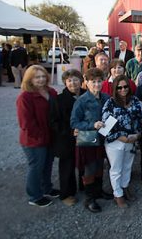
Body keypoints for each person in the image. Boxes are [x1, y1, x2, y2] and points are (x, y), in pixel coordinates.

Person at [102, 74, 142, 208]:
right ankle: (118, 194)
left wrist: (138, 135)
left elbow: (141, 119)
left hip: (132, 140)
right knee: (116, 169)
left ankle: (125, 186)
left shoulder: (135, 101)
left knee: (128, 166)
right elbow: (105, 127)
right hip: (116, 142)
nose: (123, 90)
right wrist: (121, 137)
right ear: (115, 89)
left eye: (125, 86)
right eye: (119, 87)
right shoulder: (110, 103)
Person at [16, 65, 60, 207]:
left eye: (43, 76)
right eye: (37, 77)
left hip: (49, 137)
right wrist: (41, 137)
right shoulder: (25, 97)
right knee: (36, 167)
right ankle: (34, 196)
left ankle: (47, 188)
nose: (41, 79)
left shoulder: (51, 92)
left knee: (47, 165)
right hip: (34, 140)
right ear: (29, 79)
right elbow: (26, 123)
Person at [70, 68, 112, 213]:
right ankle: (89, 199)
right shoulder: (81, 101)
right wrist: (92, 125)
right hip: (87, 139)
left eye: (99, 81)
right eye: (93, 81)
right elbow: (74, 122)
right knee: (90, 168)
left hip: (102, 138)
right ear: (86, 82)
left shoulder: (106, 97)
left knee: (100, 165)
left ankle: (98, 191)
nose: (96, 84)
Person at [52, 69, 86, 206]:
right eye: (69, 80)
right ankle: (66, 193)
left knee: (85, 163)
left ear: (81, 81)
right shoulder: (59, 100)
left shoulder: (86, 95)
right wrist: (71, 131)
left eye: (76, 79)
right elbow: (54, 121)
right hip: (67, 138)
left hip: (85, 136)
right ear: (65, 82)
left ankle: (85, 187)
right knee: (67, 167)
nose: (73, 83)